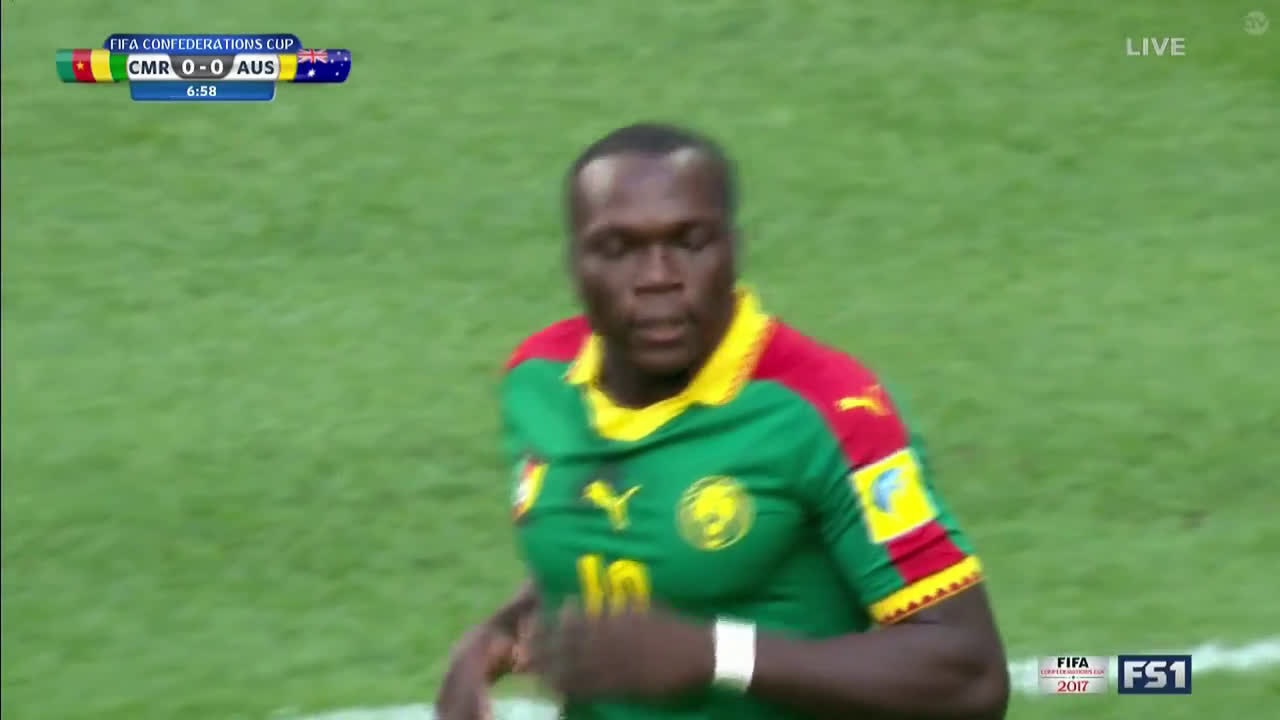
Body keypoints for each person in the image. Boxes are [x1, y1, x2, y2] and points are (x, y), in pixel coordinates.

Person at [435, 123, 1010, 720]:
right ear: (575, 263)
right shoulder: (538, 381)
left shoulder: (828, 411)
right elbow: (617, 549)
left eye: (690, 241)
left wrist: (717, 656)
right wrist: (500, 633)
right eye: (618, 248)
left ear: (733, 250)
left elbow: (971, 675)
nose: (657, 276)